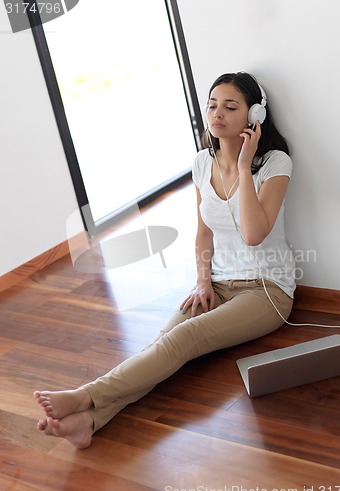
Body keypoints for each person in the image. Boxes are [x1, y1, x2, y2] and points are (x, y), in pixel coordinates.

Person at [34, 71, 296, 448]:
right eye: (212, 105)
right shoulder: (201, 163)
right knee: (162, 342)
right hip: (217, 283)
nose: (216, 113)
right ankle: (90, 421)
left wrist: (243, 165)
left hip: (267, 291)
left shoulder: (274, 163)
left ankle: (85, 395)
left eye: (230, 106)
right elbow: (204, 230)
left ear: (254, 115)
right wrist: (203, 281)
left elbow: (255, 234)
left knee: (184, 337)